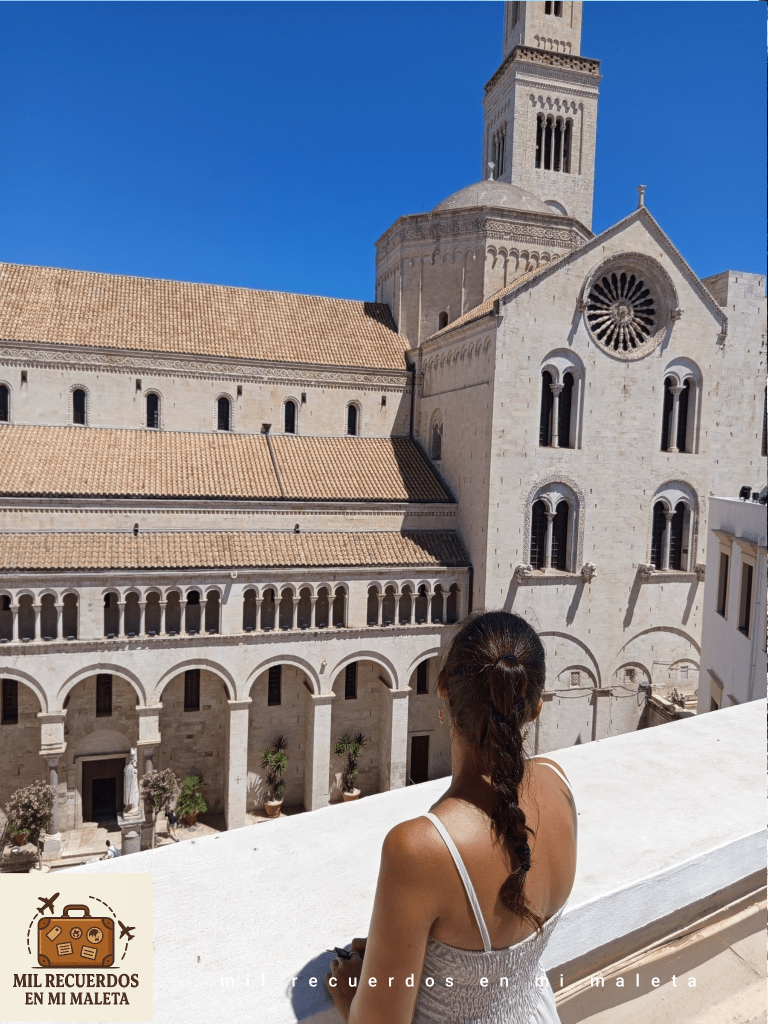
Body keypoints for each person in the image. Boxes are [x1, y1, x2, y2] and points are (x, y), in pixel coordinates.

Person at [325, 610, 577, 1024]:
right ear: (535, 708)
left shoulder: (421, 849)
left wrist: (351, 992)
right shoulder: (559, 785)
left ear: (442, 687)